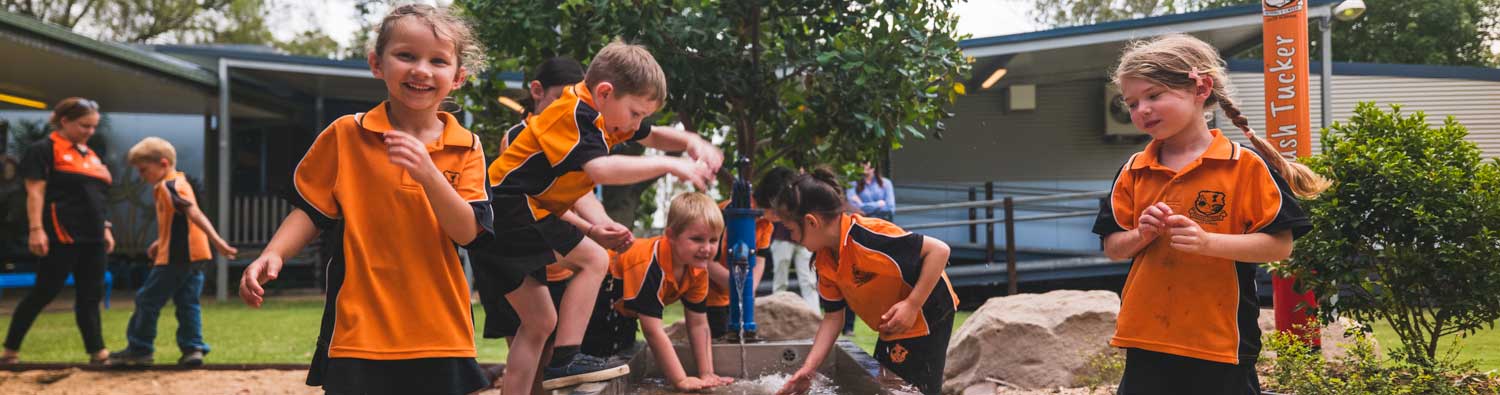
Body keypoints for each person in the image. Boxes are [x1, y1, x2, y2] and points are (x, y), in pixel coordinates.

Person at [237, 4, 494, 394]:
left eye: (437, 60)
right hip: (359, 329)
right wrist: (273, 253)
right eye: (406, 55)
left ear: (458, 77)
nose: (421, 69)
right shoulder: (346, 134)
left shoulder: (466, 146)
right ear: (377, 63)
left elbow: (468, 232)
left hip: (440, 327)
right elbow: (310, 210)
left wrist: (427, 172)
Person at [476, 40, 722, 393]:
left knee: (539, 322)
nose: (636, 123)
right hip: (508, 210)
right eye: (635, 112)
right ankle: (566, 360)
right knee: (593, 259)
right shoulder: (576, 114)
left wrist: (691, 142)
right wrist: (672, 164)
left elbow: (652, 136)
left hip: (509, 214)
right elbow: (601, 170)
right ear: (605, 92)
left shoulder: (602, 112)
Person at [1093, 34, 1326, 395]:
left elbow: (1280, 246)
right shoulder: (1133, 170)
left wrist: (1207, 242)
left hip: (1222, 344)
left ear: (1200, 88)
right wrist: (1141, 235)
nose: (1142, 110)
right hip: (1146, 337)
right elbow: (1113, 247)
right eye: (1132, 102)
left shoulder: (1245, 166)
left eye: (1153, 95)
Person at [774, 168, 958, 395]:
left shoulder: (867, 236)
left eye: (791, 230)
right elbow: (833, 317)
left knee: (914, 389)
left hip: (928, 311)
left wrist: (912, 304)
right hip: (894, 322)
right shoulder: (825, 260)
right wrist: (808, 369)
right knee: (883, 385)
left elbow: (939, 251)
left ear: (812, 222)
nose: (791, 238)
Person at [108, 137, 238, 367]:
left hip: (177, 258)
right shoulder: (174, 184)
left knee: (147, 300)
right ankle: (193, 349)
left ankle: (140, 348)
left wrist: (217, 240)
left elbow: (194, 213)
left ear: (164, 163)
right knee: (187, 303)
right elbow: (179, 222)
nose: (141, 176)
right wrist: (160, 241)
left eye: (143, 170)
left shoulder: (171, 186)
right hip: (194, 256)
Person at [3, 97, 113, 366]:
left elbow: (98, 196)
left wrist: (106, 227)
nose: (90, 132)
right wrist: (36, 229)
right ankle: (9, 351)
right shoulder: (43, 150)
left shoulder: (90, 154)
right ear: (65, 121)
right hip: (62, 233)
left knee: (91, 295)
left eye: (93, 127)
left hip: (95, 236)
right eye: (84, 125)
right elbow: (35, 192)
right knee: (45, 291)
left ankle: (98, 353)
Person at [592, 192, 735, 391]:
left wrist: (707, 373)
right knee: (594, 366)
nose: (706, 248)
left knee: (621, 358)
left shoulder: (697, 268)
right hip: (597, 300)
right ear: (671, 236)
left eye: (713, 240)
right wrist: (681, 380)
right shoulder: (650, 263)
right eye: (697, 239)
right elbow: (652, 330)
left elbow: (698, 324)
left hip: (624, 312)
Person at [764, 167, 817, 309]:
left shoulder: (809, 189)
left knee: (809, 280)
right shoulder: (782, 187)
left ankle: (815, 318)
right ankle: (776, 314)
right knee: (780, 280)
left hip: (804, 238)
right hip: (782, 237)